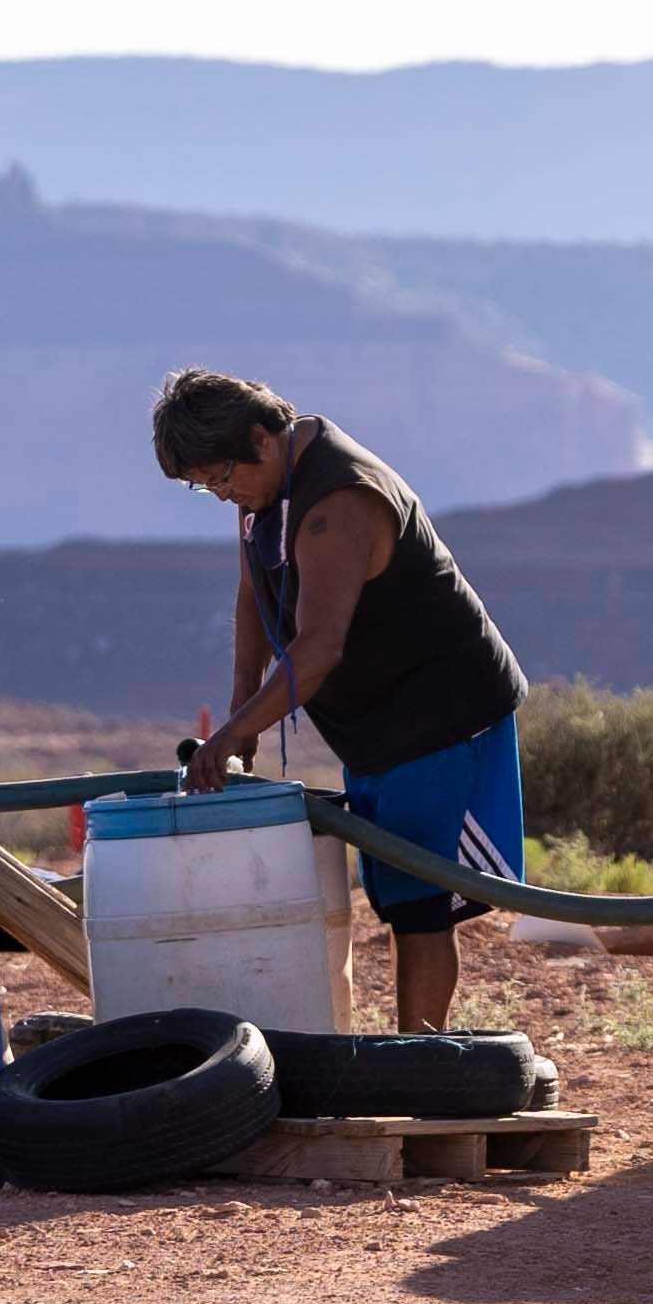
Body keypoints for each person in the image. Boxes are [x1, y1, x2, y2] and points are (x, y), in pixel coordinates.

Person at [153, 369, 528, 1030]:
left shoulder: (340, 503)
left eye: (219, 477)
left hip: (443, 715)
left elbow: (319, 646)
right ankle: (416, 1058)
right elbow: (254, 601)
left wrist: (237, 733)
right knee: (389, 892)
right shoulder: (262, 496)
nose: (219, 495)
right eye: (203, 485)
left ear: (264, 440)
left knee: (420, 901)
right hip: (373, 721)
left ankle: (426, 1066)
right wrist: (240, 715)